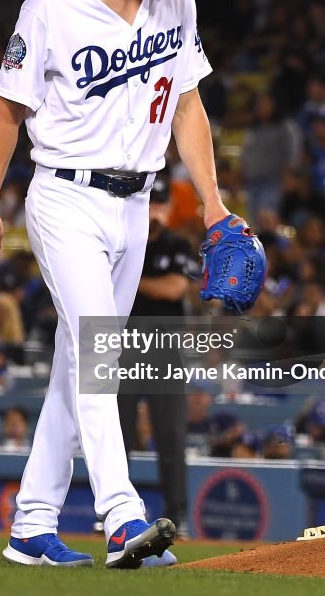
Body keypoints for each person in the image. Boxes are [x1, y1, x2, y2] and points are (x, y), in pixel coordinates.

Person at [0, 0, 224, 568]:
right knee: (100, 351)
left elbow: (188, 106)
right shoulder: (53, 4)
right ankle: (120, 515)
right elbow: (5, 111)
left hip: (136, 203)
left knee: (76, 365)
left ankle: (32, 524)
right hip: (66, 196)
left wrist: (216, 203)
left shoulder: (179, 1)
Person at [119, 176, 194, 539]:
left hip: (165, 350)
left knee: (170, 437)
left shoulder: (176, 243)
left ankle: (178, 516)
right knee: (119, 435)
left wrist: (131, 281)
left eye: (162, 203)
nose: (157, 210)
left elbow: (175, 288)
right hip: (123, 348)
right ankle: (116, 513)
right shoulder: (125, 238)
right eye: (152, 202)